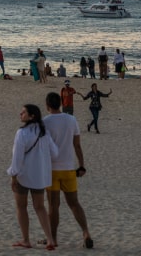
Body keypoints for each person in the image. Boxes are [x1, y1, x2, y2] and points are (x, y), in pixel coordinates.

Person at [44, 91, 94, 250]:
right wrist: (82, 165)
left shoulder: (45, 122)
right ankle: (86, 232)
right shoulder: (71, 120)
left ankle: (53, 239)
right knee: (74, 203)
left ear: (47, 105)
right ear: (61, 103)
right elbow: (77, 145)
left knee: (53, 206)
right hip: (68, 169)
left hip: (52, 170)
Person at [7, 104, 58, 250]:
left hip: (23, 175)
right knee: (40, 207)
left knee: (21, 206)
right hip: (39, 176)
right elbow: (55, 153)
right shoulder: (44, 132)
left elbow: (17, 157)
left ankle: (26, 240)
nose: (20, 114)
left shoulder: (22, 133)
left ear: (32, 116)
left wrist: (13, 175)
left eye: (23, 112)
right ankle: (50, 239)